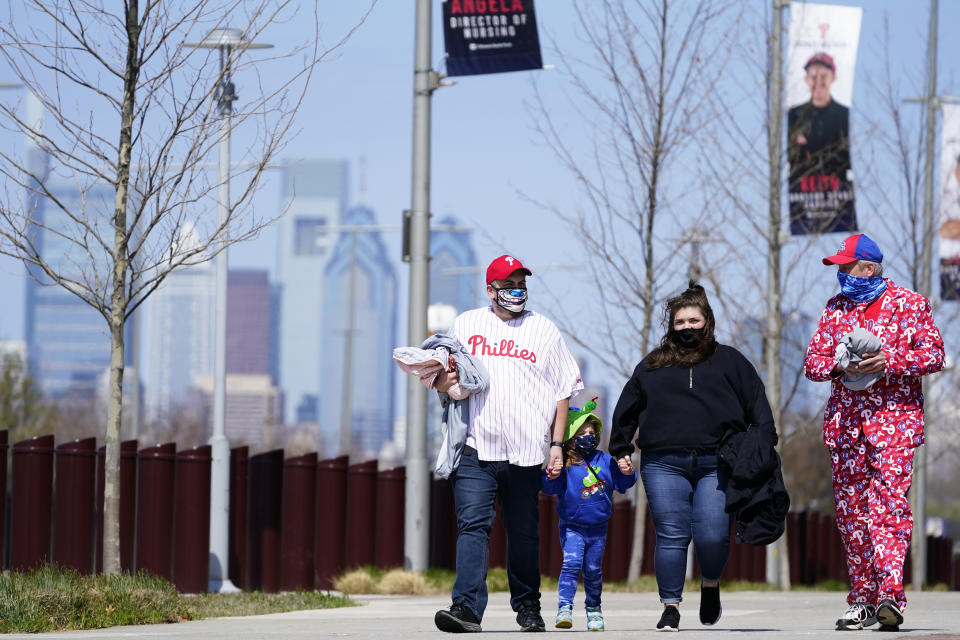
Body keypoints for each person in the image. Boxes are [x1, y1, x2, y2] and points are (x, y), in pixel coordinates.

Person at [609, 282, 777, 632]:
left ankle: (711, 583)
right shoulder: (652, 364)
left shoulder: (730, 361)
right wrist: (621, 448)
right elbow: (627, 408)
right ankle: (670, 606)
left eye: (693, 320)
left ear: (707, 322)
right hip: (662, 462)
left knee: (713, 535)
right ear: (672, 326)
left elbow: (758, 407)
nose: (687, 327)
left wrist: (762, 444)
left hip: (717, 462)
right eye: (680, 322)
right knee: (671, 535)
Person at [432, 254, 584, 634]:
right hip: (474, 448)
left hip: (527, 453)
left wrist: (556, 444)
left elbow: (564, 389)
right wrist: (445, 383)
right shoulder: (466, 325)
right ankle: (465, 608)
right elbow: (440, 376)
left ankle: (528, 609)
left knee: (523, 533)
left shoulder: (544, 330)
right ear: (491, 290)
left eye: (521, 286)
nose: (517, 293)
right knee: (472, 527)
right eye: (508, 287)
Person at [805, 233, 945, 632]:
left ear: (868, 268)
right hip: (845, 427)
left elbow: (935, 355)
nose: (841, 276)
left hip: (894, 424)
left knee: (888, 509)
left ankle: (890, 596)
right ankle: (862, 598)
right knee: (853, 516)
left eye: (845, 267)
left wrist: (889, 360)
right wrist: (838, 364)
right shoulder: (835, 309)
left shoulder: (910, 304)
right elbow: (812, 362)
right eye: (838, 269)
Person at [541, 398, 637, 632]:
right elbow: (550, 490)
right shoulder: (564, 462)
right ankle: (564, 608)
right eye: (582, 432)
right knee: (571, 563)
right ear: (571, 437)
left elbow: (623, 484)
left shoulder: (604, 459)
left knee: (593, 570)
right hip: (572, 525)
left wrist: (627, 471)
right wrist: (551, 476)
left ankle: (594, 609)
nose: (588, 436)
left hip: (598, 528)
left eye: (592, 431)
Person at [787, 52, 855, 234]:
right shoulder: (794, 115)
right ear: (806, 79)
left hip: (836, 195)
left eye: (823, 76)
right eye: (813, 76)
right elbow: (793, 157)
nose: (818, 82)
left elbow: (842, 155)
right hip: (803, 198)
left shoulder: (843, 114)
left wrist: (808, 145)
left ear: (833, 78)